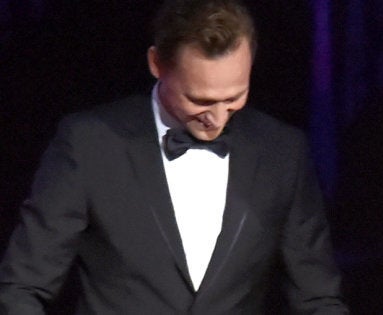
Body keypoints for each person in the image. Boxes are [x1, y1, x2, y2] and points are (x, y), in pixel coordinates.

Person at [0, 0, 348, 313]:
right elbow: (23, 287)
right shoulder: (90, 143)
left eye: (234, 97)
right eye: (199, 100)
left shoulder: (282, 151)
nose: (218, 118)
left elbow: (317, 298)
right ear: (157, 64)